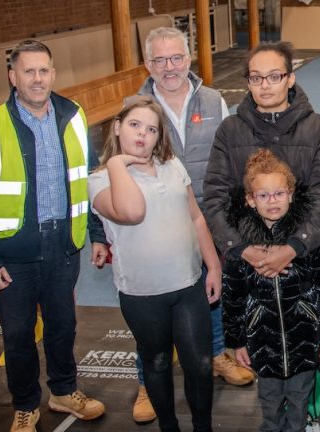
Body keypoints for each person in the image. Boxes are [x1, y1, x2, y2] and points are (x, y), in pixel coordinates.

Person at [0, 39, 106, 432]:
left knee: (62, 325)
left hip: (63, 246)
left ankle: (63, 390)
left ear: (53, 74)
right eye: (29, 71)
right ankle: (25, 405)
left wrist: (97, 234)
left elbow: (87, 182)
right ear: (13, 77)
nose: (37, 79)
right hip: (13, 255)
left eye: (44, 70)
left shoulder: (72, 115)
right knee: (19, 335)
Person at [127, 27, 252, 424]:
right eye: (160, 60)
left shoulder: (214, 100)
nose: (170, 67)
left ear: (189, 58)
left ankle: (215, 355)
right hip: (154, 226)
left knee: (212, 291)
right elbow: (113, 166)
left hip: (209, 218)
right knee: (150, 307)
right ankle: (147, 380)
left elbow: (231, 159)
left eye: (177, 58)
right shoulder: (136, 107)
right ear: (148, 64)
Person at [88, 96, 221, 432]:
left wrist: (214, 266)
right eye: (134, 125)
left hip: (188, 285)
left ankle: (202, 426)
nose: (142, 135)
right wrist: (119, 164)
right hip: (143, 294)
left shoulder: (172, 165)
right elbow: (133, 212)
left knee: (201, 365)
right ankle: (169, 426)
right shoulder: (101, 180)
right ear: (117, 127)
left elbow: (196, 218)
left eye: (151, 129)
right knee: (158, 361)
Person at [222, 149, 320, 432]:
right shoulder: (243, 246)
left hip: (304, 340)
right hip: (263, 345)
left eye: (279, 193)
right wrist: (237, 341)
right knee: (269, 402)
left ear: (291, 194)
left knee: (300, 400)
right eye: (263, 195)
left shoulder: (307, 239)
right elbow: (234, 297)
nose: (272, 201)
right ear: (250, 200)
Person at [203, 41, 320, 275]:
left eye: (274, 76)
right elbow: (215, 196)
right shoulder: (230, 130)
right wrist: (241, 248)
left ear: (290, 78)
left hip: (305, 261)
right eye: (256, 78)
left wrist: (294, 246)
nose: (265, 85)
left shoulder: (317, 128)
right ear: (248, 82)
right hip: (246, 264)